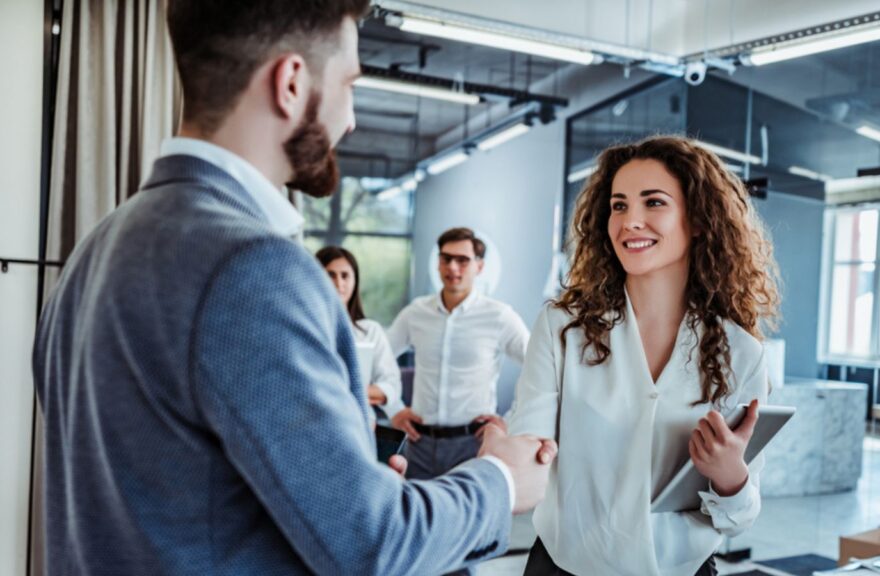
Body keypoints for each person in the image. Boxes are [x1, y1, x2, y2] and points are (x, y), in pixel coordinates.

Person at [31, 2, 556, 574]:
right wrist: (501, 480)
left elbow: (168, 500)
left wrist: (342, 485)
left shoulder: (94, 249)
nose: (350, 118)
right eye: (349, 84)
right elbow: (373, 543)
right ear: (291, 83)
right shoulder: (252, 268)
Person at [509, 135, 781, 576]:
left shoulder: (740, 352)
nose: (630, 221)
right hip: (564, 567)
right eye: (619, 205)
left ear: (697, 220)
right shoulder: (562, 326)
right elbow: (528, 446)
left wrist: (731, 475)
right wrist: (501, 464)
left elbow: (739, 518)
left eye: (653, 203)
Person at [388, 227, 530, 481]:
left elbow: (539, 367)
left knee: (467, 522)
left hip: (472, 446)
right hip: (418, 444)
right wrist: (393, 409)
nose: (453, 267)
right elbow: (380, 359)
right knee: (415, 518)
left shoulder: (499, 316)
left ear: (479, 266)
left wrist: (511, 419)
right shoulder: (416, 313)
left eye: (462, 260)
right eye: (446, 258)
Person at [315, 245, 402, 418]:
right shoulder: (305, 330)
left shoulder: (371, 331)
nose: (339, 283)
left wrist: (349, 391)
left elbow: (391, 386)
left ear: (355, 281)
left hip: (359, 425)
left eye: (345, 276)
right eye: (330, 275)